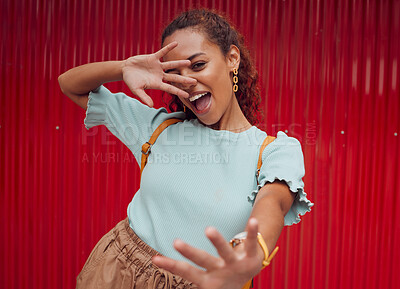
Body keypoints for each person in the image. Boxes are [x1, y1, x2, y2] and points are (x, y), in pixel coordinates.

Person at [58, 9, 313, 289]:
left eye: (198, 65)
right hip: (116, 273)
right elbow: (70, 85)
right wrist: (124, 67)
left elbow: (272, 203)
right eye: (174, 73)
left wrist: (248, 253)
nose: (187, 81)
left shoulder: (273, 151)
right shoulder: (158, 128)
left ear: (232, 59)